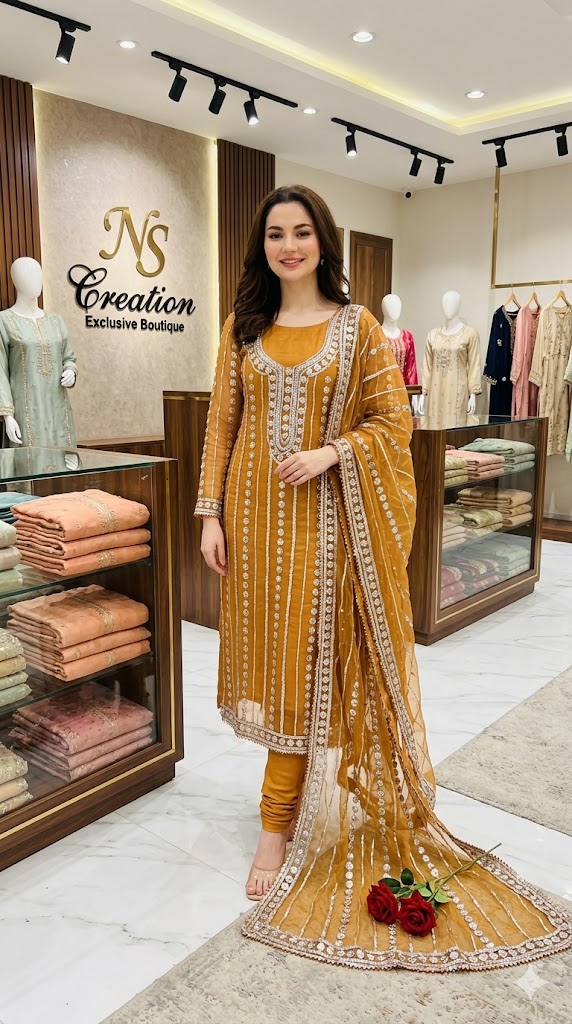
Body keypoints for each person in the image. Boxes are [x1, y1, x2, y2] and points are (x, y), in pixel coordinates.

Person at [195, 185, 570, 970]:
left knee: (315, 667)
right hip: (255, 528)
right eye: (276, 234)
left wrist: (333, 452)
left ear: (323, 241)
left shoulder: (356, 327)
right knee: (275, 666)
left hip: (328, 528)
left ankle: (277, 825)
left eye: (302, 232)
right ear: (262, 246)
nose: (288, 246)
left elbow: (392, 422)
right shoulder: (243, 327)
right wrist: (209, 514)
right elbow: (221, 424)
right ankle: (293, 806)